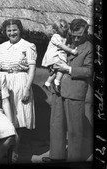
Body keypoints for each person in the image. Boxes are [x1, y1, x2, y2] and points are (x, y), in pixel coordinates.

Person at [42, 18, 93, 162]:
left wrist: (68, 69)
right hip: (58, 89)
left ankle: (74, 159)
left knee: (75, 129)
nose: (76, 38)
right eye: (74, 34)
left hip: (75, 92)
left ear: (86, 32)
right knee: (56, 125)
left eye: (80, 35)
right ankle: (56, 157)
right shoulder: (64, 41)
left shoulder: (89, 47)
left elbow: (89, 71)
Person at [0, 19, 37, 162]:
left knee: (19, 120)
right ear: (5, 32)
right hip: (5, 82)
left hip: (21, 81)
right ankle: (5, 151)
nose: (12, 33)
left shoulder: (28, 46)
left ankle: (14, 152)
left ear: (20, 30)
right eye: (9, 30)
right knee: (6, 118)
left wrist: (27, 88)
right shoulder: (1, 47)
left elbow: (31, 69)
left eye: (14, 30)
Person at [41, 19, 78, 92]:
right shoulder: (55, 36)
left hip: (59, 56)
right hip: (55, 57)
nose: (65, 33)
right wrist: (71, 50)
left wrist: (70, 46)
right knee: (62, 68)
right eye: (64, 31)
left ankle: (47, 83)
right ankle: (57, 82)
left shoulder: (64, 37)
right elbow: (62, 46)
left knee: (56, 71)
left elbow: (66, 45)